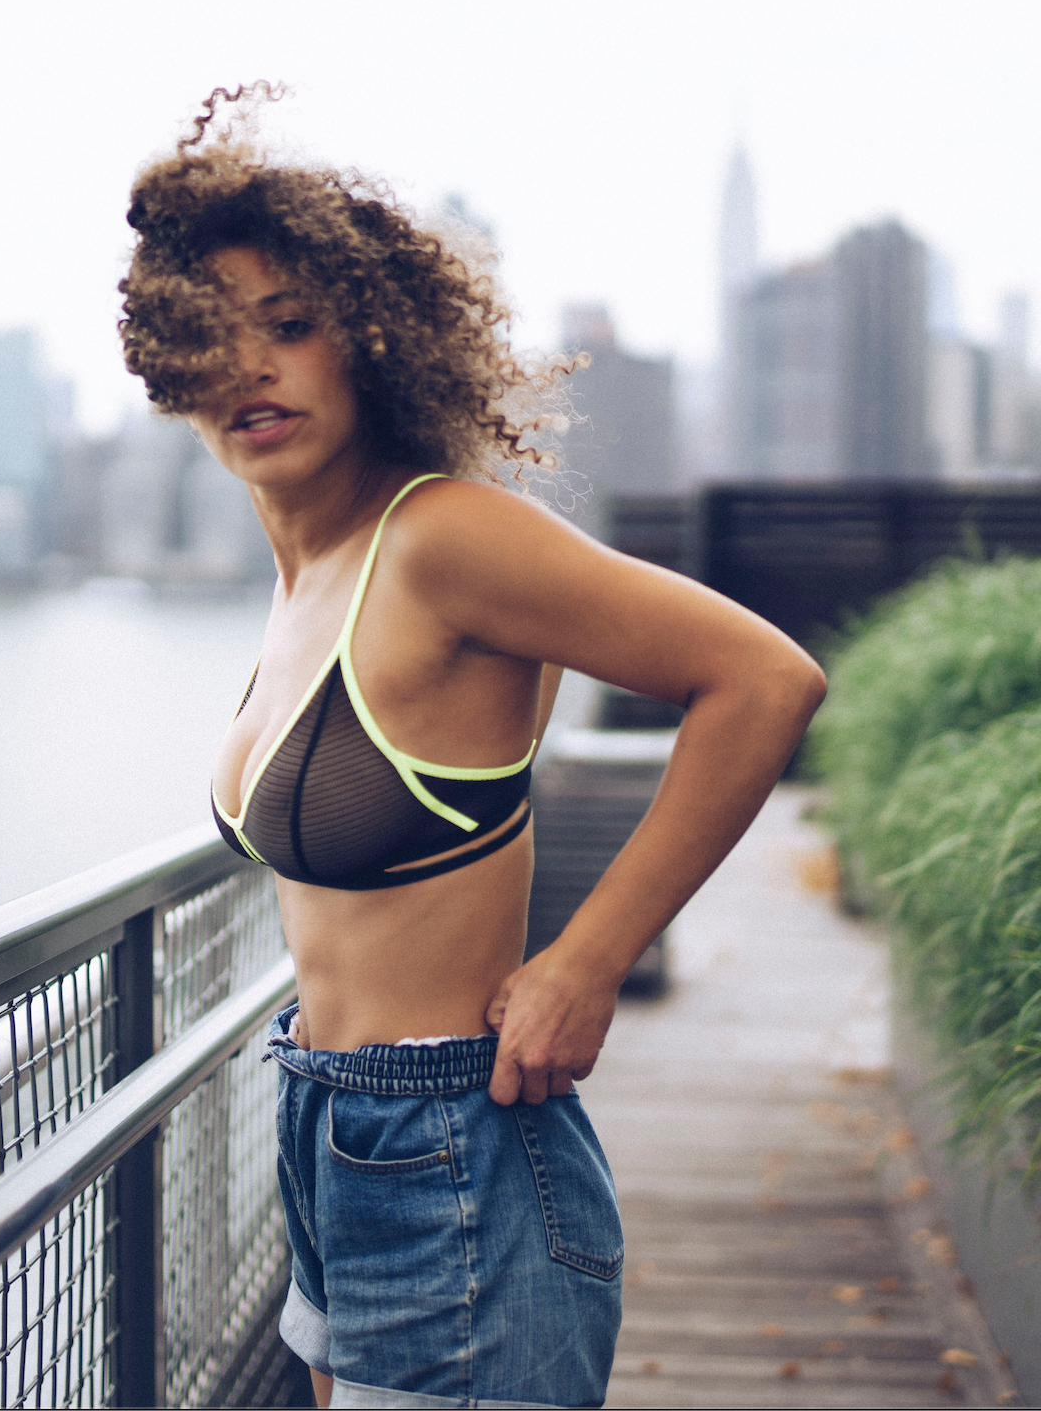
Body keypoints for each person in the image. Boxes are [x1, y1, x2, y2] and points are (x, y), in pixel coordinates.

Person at [119, 86, 826, 1409]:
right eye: (211, 338)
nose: (252, 368)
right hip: (325, 1125)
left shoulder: (440, 538)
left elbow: (762, 678)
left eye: (291, 326)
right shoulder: (304, 579)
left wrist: (587, 961)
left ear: (371, 342)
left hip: (456, 1140)